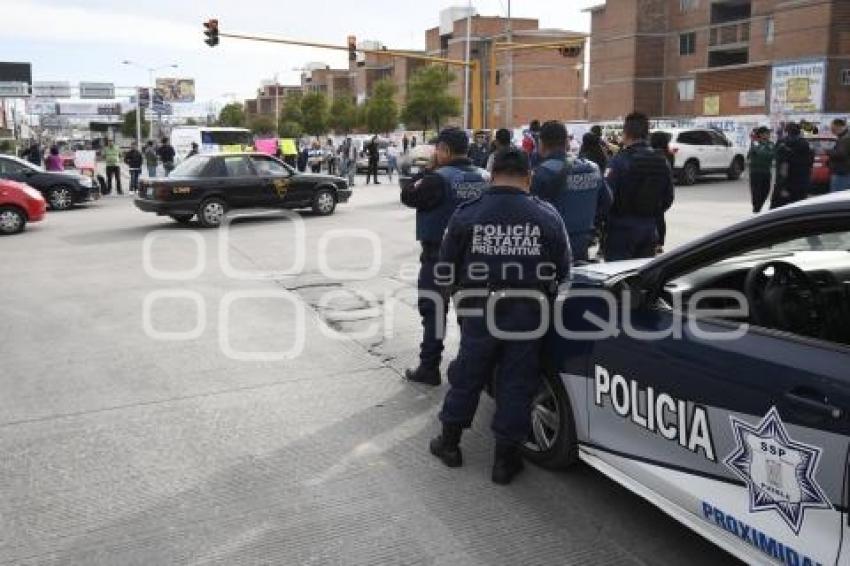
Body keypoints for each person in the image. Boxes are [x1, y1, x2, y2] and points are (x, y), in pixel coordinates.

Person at [430, 148, 570, 485]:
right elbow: (565, 273)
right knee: (517, 381)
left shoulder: (467, 214)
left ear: (491, 175)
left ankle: (449, 445)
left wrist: (451, 305)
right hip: (528, 311)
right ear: (529, 177)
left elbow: (445, 271)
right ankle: (504, 462)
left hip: (479, 308)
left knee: (468, 372)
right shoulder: (547, 215)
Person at [400, 127, 488, 386]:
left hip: (438, 257)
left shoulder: (437, 178)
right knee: (470, 316)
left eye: (437, 148)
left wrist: (427, 170)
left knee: (434, 313)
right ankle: (469, 368)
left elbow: (408, 196)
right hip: (475, 258)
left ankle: (429, 367)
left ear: (445, 150)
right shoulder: (484, 176)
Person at [531, 121, 611, 263]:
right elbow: (607, 201)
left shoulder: (541, 173)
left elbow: (530, 213)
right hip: (583, 243)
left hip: (551, 247)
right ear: (567, 142)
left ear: (541, 143)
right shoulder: (591, 168)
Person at [605, 112, 675, 261]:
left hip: (621, 230)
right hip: (649, 229)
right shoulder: (661, 161)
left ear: (625, 134)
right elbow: (668, 198)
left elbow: (606, 198)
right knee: (642, 277)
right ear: (647, 133)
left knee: (617, 279)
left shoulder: (618, 161)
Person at [771, 122, 813, 209]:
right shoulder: (805, 144)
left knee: (778, 210)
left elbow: (782, 166)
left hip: (787, 184)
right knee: (799, 208)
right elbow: (809, 163)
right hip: (801, 183)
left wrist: (782, 186)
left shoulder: (783, 143)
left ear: (787, 131)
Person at [649, 131, 674, 253]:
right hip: (662, 196)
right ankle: (659, 243)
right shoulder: (668, 155)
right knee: (659, 218)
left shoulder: (652, 156)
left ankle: (656, 243)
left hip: (651, 195)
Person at [747, 127, 775, 213]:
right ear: (761, 134)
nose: (769, 135)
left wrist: (766, 154)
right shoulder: (755, 143)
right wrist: (767, 154)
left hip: (766, 171)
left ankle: (758, 207)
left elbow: (773, 154)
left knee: (766, 191)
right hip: (756, 171)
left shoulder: (771, 144)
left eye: (769, 133)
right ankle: (756, 209)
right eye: (767, 133)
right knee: (756, 192)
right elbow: (758, 154)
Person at [828, 118, 850, 192]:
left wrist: (829, 152)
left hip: (842, 173)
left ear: (838, 127)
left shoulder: (845, 139)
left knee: (836, 196)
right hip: (843, 171)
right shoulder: (844, 137)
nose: (831, 130)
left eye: (832, 128)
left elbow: (841, 154)